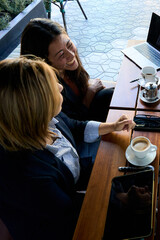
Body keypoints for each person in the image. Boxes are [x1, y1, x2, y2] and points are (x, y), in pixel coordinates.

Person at [0, 57, 135, 240]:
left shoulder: (44, 121)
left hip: (73, 185)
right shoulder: (30, 176)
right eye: (52, 86)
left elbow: (74, 126)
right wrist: (120, 200)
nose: (61, 87)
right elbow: (70, 215)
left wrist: (110, 126)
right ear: (35, 106)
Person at [20, 18, 113, 122]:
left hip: (86, 114)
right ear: (44, 62)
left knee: (113, 95)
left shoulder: (67, 68)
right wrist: (90, 93)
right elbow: (73, 124)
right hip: (79, 130)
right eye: (61, 55)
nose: (71, 54)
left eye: (69, 45)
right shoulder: (47, 88)